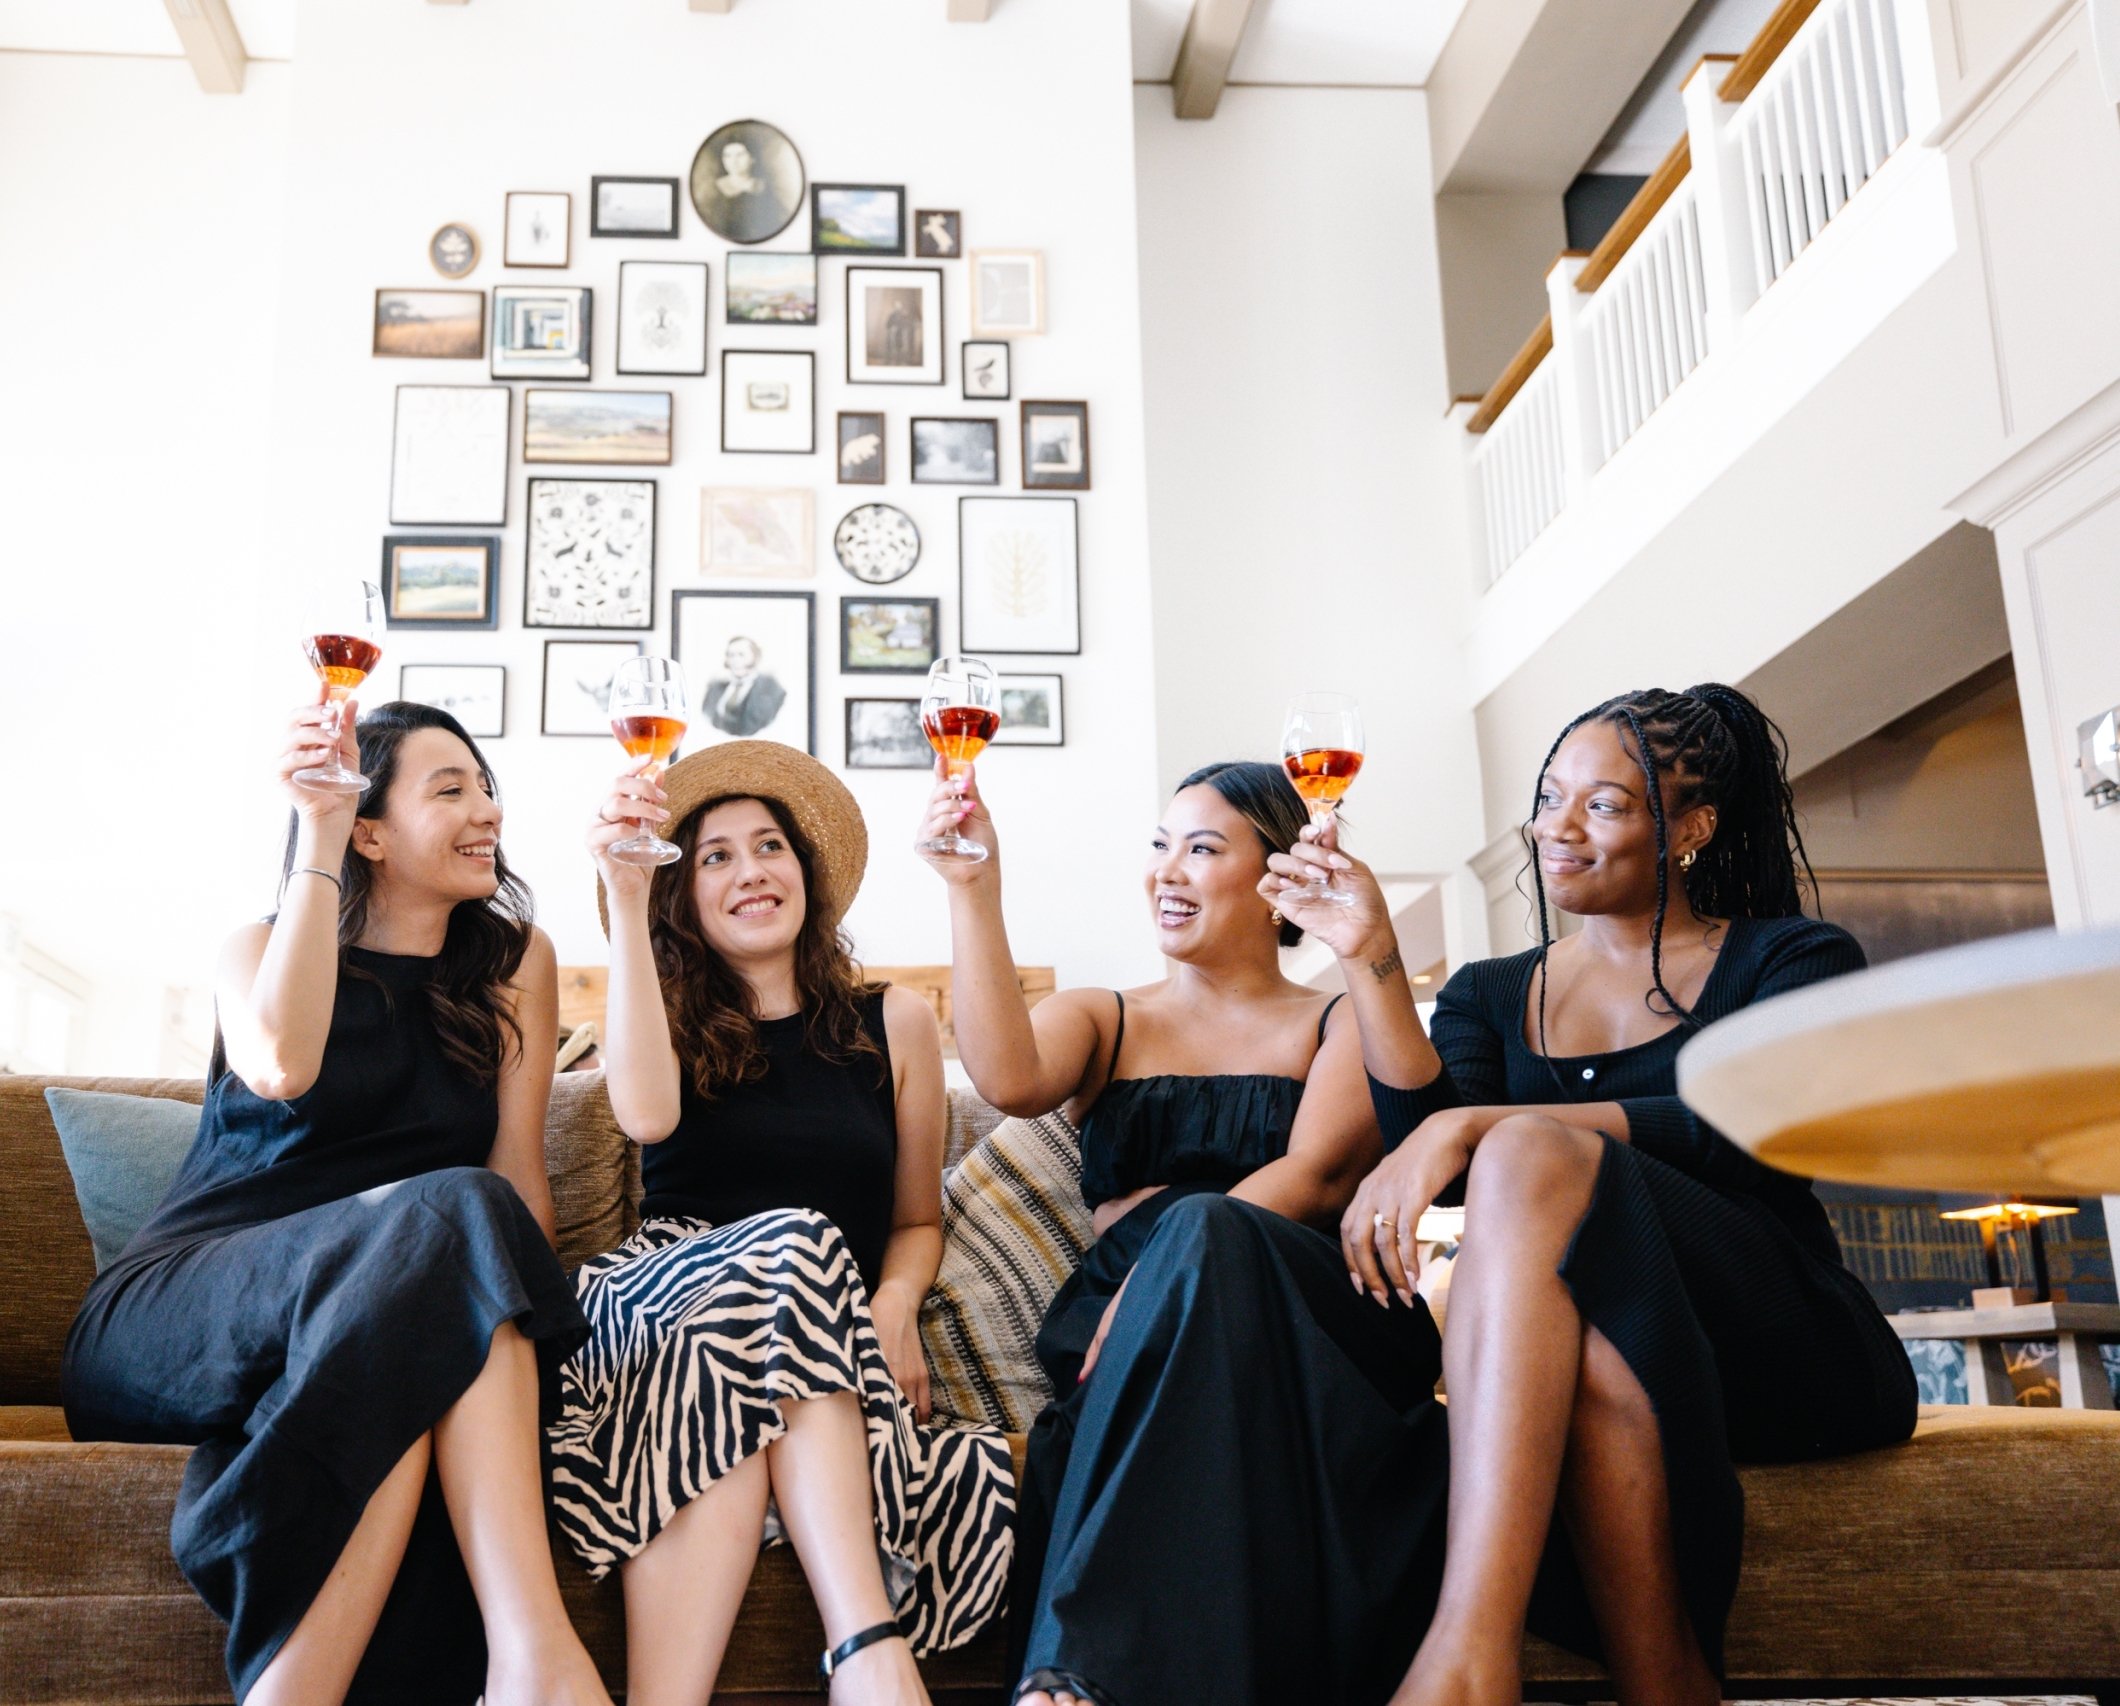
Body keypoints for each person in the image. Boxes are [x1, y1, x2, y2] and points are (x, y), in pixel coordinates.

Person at [1266, 682, 1917, 1705]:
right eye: (1547, 795)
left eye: (1603, 805)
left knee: (1526, 1151)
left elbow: (1755, 1125)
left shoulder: (1788, 957)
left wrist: (1491, 1125)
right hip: (1608, 1351)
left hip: (1776, 1337)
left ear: (1689, 829)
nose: (1555, 828)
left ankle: (1465, 1654)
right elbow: (1429, 1153)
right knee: (1588, 1348)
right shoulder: (1490, 989)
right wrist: (1368, 955)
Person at [63, 698, 608, 1706]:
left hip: (381, 1309)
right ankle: (536, 1656)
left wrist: (521, 1341)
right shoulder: (257, 946)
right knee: (448, 1218)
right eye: (450, 789)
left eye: (486, 784)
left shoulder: (513, 964)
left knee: (444, 1270)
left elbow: (516, 1171)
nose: (486, 806)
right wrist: (313, 830)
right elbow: (278, 1063)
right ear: (368, 825)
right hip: (189, 1306)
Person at [917, 759, 1438, 1706]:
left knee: (1203, 1225)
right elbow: (1005, 1079)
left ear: (1277, 877)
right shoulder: (1107, 1018)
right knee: (1095, 1415)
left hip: (1298, 1320)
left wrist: (1165, 1267)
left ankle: (1073, 1679)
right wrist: (973, 888)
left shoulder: (1336, 1021)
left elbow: (1318, 1178)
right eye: (1160, 847)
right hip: (1131, 1331)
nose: (1169, 870)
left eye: (1202, 848)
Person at [550, 740, 1014, 1706]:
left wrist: (891, 1305)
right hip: (658, 1311)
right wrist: (625, 895)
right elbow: (642, 1118)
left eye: (769, 846)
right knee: (795, 1236)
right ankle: (867, 1649)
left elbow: (917, 1219)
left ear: (806, 871)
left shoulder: (896, 1024)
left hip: (820, 1352)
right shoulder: (663, 1015)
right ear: (686, 895)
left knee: (750, 1385)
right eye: (714, 855)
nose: (750, 870)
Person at [703, 635, 786, 738]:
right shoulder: (715, 688)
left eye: (741, 655)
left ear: (755, 657)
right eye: (731, 655)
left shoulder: (771, 690)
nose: (735, 660)